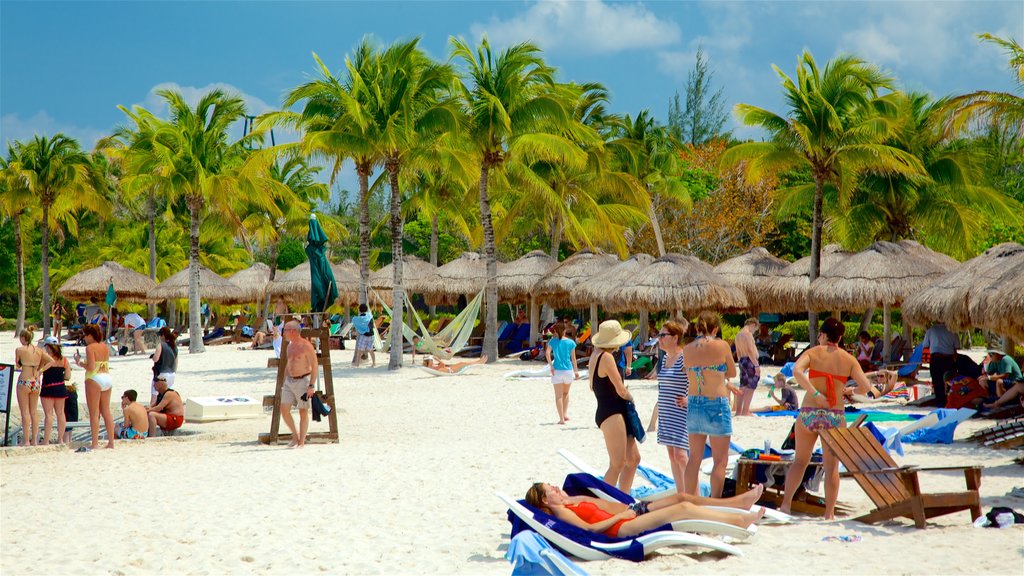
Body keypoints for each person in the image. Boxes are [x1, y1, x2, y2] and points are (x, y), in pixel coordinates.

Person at [780, 318, 874, 519]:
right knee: (831, 468)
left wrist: (814, 394)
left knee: (799, 462)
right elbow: (866, 388)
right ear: (839, 338)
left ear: (823, 335)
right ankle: (829, 514)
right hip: (834, 415)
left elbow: (796, 371)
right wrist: (849, 390)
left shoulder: (813, 352)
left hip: (809, 412)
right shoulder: (848, 359)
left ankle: (786, 505)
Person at [524, 482, 764, 538]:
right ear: (545, 501)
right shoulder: (562, 513)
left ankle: (739, 512)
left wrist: (564, 497)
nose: (557, 488)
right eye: (551, 489)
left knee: (684, 503)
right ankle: (738, 520)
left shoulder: (567, 501)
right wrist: (620, 516)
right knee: (682, 507)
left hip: (628, 513)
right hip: (621, 526)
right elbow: (588, 529)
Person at [682, 312, 736, 498]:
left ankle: (689, 500)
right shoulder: (721, 346)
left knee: (694, 458)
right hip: (716, 403)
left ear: (697, 328)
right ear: (715, 329)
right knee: (720, 460)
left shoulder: (687, 349)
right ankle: (714, 501)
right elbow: (733, 372)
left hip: (694, 402)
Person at [588, 320, 640, 494]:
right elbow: (621, 389)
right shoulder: (607, 357)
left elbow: (591, 385)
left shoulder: (595, 356)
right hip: (612, 411)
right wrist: (631, 398)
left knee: (633, 459)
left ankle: (622, 498)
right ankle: (605, 503)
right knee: (617, 463)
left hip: (607, 408)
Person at [655, 319, 690, 494]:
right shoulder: (665, 358)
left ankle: (692, 495)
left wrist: (689, 399)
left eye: (663, 335)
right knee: (672, 456)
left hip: (681, 413)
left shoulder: (685, 357)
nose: (659, 338)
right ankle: (681, 493)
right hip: (667, 412)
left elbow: (700, 380)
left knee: (681, 456)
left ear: (675, 337)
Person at [74, 324, 116, 450]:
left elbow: (91, 367)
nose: (84, 338)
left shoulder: (90, 348)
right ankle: (111, 443)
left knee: (94, 413)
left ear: (90, 335)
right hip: (107, 377)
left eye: (85, 335)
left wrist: (79, 362)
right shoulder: (105, 346)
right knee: (106, 411)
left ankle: (95, 443)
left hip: (94, 378)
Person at [280, 320, 317, 448]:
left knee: (303, 411)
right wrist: (284, 380)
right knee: (284, 409)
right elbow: (288, 364)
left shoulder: (306, 346)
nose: (283, 333)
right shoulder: (289, 346)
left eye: (285, 330)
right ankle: (295, 436)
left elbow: (315, 366)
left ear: (292, 331)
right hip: (290, 381)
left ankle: (302, 441)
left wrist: (311, 385)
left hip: (303, 380)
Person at [15, 329, 55, 446]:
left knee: (25, 412)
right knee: (34, 411)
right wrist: (40, 370)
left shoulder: (19, 350)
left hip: (24, 381)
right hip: (36, 382)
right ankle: (35, 440)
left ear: (23, 338)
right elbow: (51, 361)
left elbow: (18, 365)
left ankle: (26, 440)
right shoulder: (39, 350)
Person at [545, 322, 579, 424]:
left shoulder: (553, 341)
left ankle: (561, 419)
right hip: (568, 370)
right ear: (565, 330)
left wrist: (551, 366)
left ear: (555, 331)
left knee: (558, 396)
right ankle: (565, 414)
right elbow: (573, 358)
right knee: (566, 393)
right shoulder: (570, 342)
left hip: (557, 371)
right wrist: (576, 371)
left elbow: (547, 353)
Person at [39, 337, 71, 445]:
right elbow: (68, 376)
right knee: (61, 413)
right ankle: (61, 439)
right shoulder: (64, 360)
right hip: (60, 387)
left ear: (48, 347)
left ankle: (46, 440)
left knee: (48, 415)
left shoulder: (45, 359)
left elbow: (39, 370)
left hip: (47, 387)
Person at [921, 322, 959, 407]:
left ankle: (940, 402)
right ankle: (949, 401)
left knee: (937, 381)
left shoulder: (931, 330)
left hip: (936, 358)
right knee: (950, 380)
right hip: (948, 358)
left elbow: (925, 345)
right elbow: (957, 346)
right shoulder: (952, 330)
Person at [734, 317, 760, 416]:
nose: (754, 331)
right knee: (751, 385)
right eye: (755, 329)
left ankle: (738, 411)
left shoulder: (738, 335)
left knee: (743, 385)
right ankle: (745, 411)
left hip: (742, 360)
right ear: (753, 325)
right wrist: (756, 365)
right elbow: (750, 350)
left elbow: (738, 352)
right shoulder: (747, 334)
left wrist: (741, 361)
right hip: (750, 361)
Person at [150, 327, 178, 406]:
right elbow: (176, 362)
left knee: (154, 394)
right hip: (172, 374)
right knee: (168, 395)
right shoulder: (174, 346)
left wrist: (152, 356)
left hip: (161, 374)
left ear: (163, 336)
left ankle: (151, 412)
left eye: (160, 336)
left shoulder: (161, 345)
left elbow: (156, 359)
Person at [421, 355, 489, 373]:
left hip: (450, 369)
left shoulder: (432, 367)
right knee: (463, 363)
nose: (432, 361)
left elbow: (442, 365)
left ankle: (479, 361)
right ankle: (480, 361)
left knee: (462, 363)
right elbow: (443, 365)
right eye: (431, 360)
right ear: (428, 362)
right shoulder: (431, 368)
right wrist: (438, 359)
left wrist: (437, 360)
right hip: (451, 370)